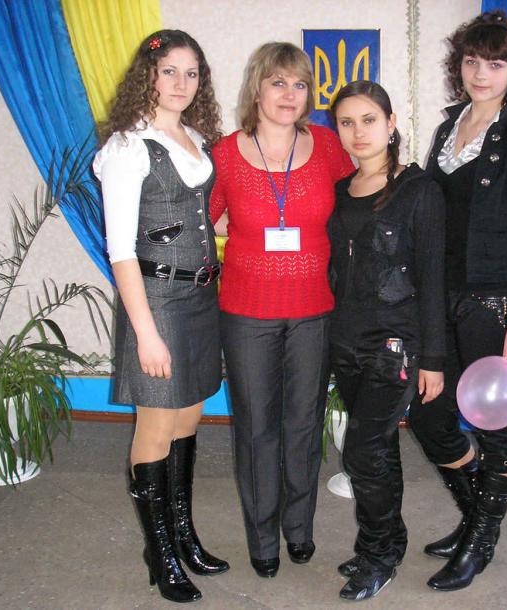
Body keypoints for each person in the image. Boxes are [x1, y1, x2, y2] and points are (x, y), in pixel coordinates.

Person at [407, 10, 507, 591]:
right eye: (472, 61)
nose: (481, 73)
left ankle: (480, 542)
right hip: (439, 298)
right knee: (428, 416)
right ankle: (476, 519)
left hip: (492, 304)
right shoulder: (447, 129)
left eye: (495, 63)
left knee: (498, 431)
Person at [93, 29, 229, 603]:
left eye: (191, 72)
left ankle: (183, 534)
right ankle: (161, 553)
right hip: (157, 302)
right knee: (155, 426)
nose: (181, 83)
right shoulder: (128, 147)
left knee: (189, 417)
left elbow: (200, 218)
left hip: (201, 299)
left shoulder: (194, 138)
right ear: (147, 74)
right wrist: (146, 333)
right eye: (169, 70)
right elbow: (121, 250)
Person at [210, 42, 354, 578]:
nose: (289, 94)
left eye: (299, 84)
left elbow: (362, 197)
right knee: (256, 429)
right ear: (256, 89)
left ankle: (299, 528)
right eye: (277, 82)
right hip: (247, 312)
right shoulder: (225, 154)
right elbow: (204, 219)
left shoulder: (327, 146)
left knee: (303, 423)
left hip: (314, 309)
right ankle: (262, 536)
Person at [327, 80, 447, 600]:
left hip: (395, 345)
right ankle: (389, 542)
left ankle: (377, 556)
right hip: (346, 341)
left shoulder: (419, 191)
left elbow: (433, 278)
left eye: (369, 120)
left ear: (391, 123)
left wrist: (434, 358)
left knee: (362, 450)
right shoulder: (340, 190)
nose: (358, 132)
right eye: (346, 122)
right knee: (379, 450)